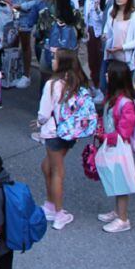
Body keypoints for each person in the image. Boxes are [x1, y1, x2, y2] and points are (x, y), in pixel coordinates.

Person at [34, 49, 89, 230]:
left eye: (55, 58)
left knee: (56, 170)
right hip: (69, 132)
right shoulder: (76, 82)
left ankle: (58, 213)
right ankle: (51, 205)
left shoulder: (52, 84)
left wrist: (40, 122)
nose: (52, 61)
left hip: (53, 132)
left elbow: (44, 112)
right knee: (47, 166)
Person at [96, 60, 135, 233]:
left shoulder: (126, 103)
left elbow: (124, 132)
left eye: (109, 73)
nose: (106, 75)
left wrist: (104, 136)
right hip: (112, 144)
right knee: (115, 179)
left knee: (121, 182)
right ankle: (117, 212)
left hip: (120, 148)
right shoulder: (114, 97)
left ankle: (123, 219)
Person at [0, 0, 40, 89]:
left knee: (25, 44)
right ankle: (12, 72)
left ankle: (26, 74)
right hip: (10, 15)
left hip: (25, 16)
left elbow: (36, 0)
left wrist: (22, 6)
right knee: (11, 44)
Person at [101, 0, 135, 80]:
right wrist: (105, 34)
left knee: (121, 87)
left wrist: (122, 47)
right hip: (110, 55)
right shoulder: (112, 10)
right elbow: (107, 28)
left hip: (125, 60)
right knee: (104, 85)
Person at [80, 0, 109, 81]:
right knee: (91, 59)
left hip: (100, 34)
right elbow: (85, 16)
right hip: (90, 32)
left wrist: (97, 10)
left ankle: (99, 83)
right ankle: (94, 82)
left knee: (99, 60)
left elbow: (105, 20)